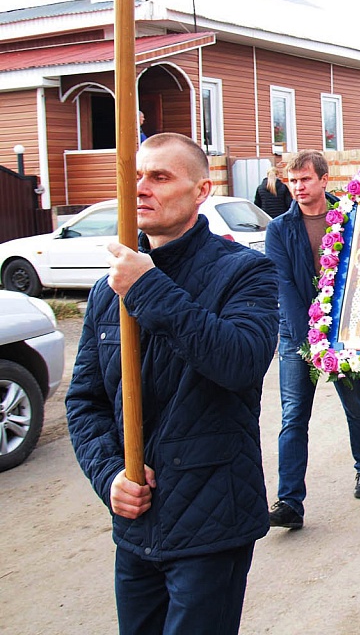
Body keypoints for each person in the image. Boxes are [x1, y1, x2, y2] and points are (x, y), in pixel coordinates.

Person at [66, 133, 278, 635]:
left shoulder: (245, 273)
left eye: (160, 177)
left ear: (201, 190)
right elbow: (85, 401)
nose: (141, 188)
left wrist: (148, 287)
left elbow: (239, 362)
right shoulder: (107, 291)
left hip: (211, 522)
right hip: (137, 526)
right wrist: (109, 475)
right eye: (135, 176)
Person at [266, 150, 360, 532]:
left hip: (343, 331)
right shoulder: (279, 229)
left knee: (356, 405)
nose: (298, 187)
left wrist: (344, 331)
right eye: (292, 181)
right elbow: (284, 285)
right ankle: (289, 502)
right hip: (297, 335)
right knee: (293, 416)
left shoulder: (350, 216)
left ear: (323, 180)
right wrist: (307, 342)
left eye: (305, 179)